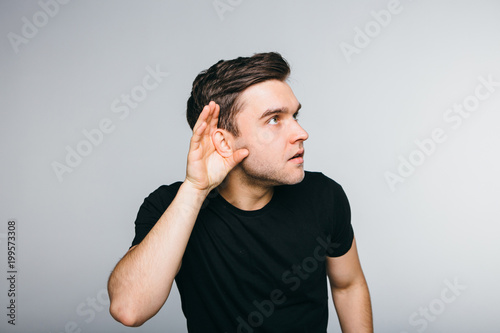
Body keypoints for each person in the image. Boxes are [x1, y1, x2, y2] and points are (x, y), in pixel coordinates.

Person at [107, 52, 373, 332]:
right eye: (274, 119)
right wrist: (195, 189)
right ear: (223, 141)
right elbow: (129, 309)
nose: (301, 132)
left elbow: (348, 285)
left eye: (294, 115)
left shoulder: (324, 196)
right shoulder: (170, 206)